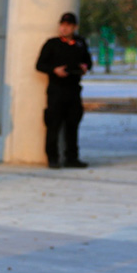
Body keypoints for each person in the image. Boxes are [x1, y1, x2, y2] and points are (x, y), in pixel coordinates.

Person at [36, 12, 92, 168]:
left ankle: (72, 158)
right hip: (56, 90)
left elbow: (88, 61)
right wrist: (54, 70)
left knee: (72, 125)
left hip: (73, 90)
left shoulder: (80, 43)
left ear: (74, 27)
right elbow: (39, 65)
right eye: (62, 25)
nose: (64, 28)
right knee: (53, 125)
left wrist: (84, 67)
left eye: (68, 25)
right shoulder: (52, 44)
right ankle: (52, 158)